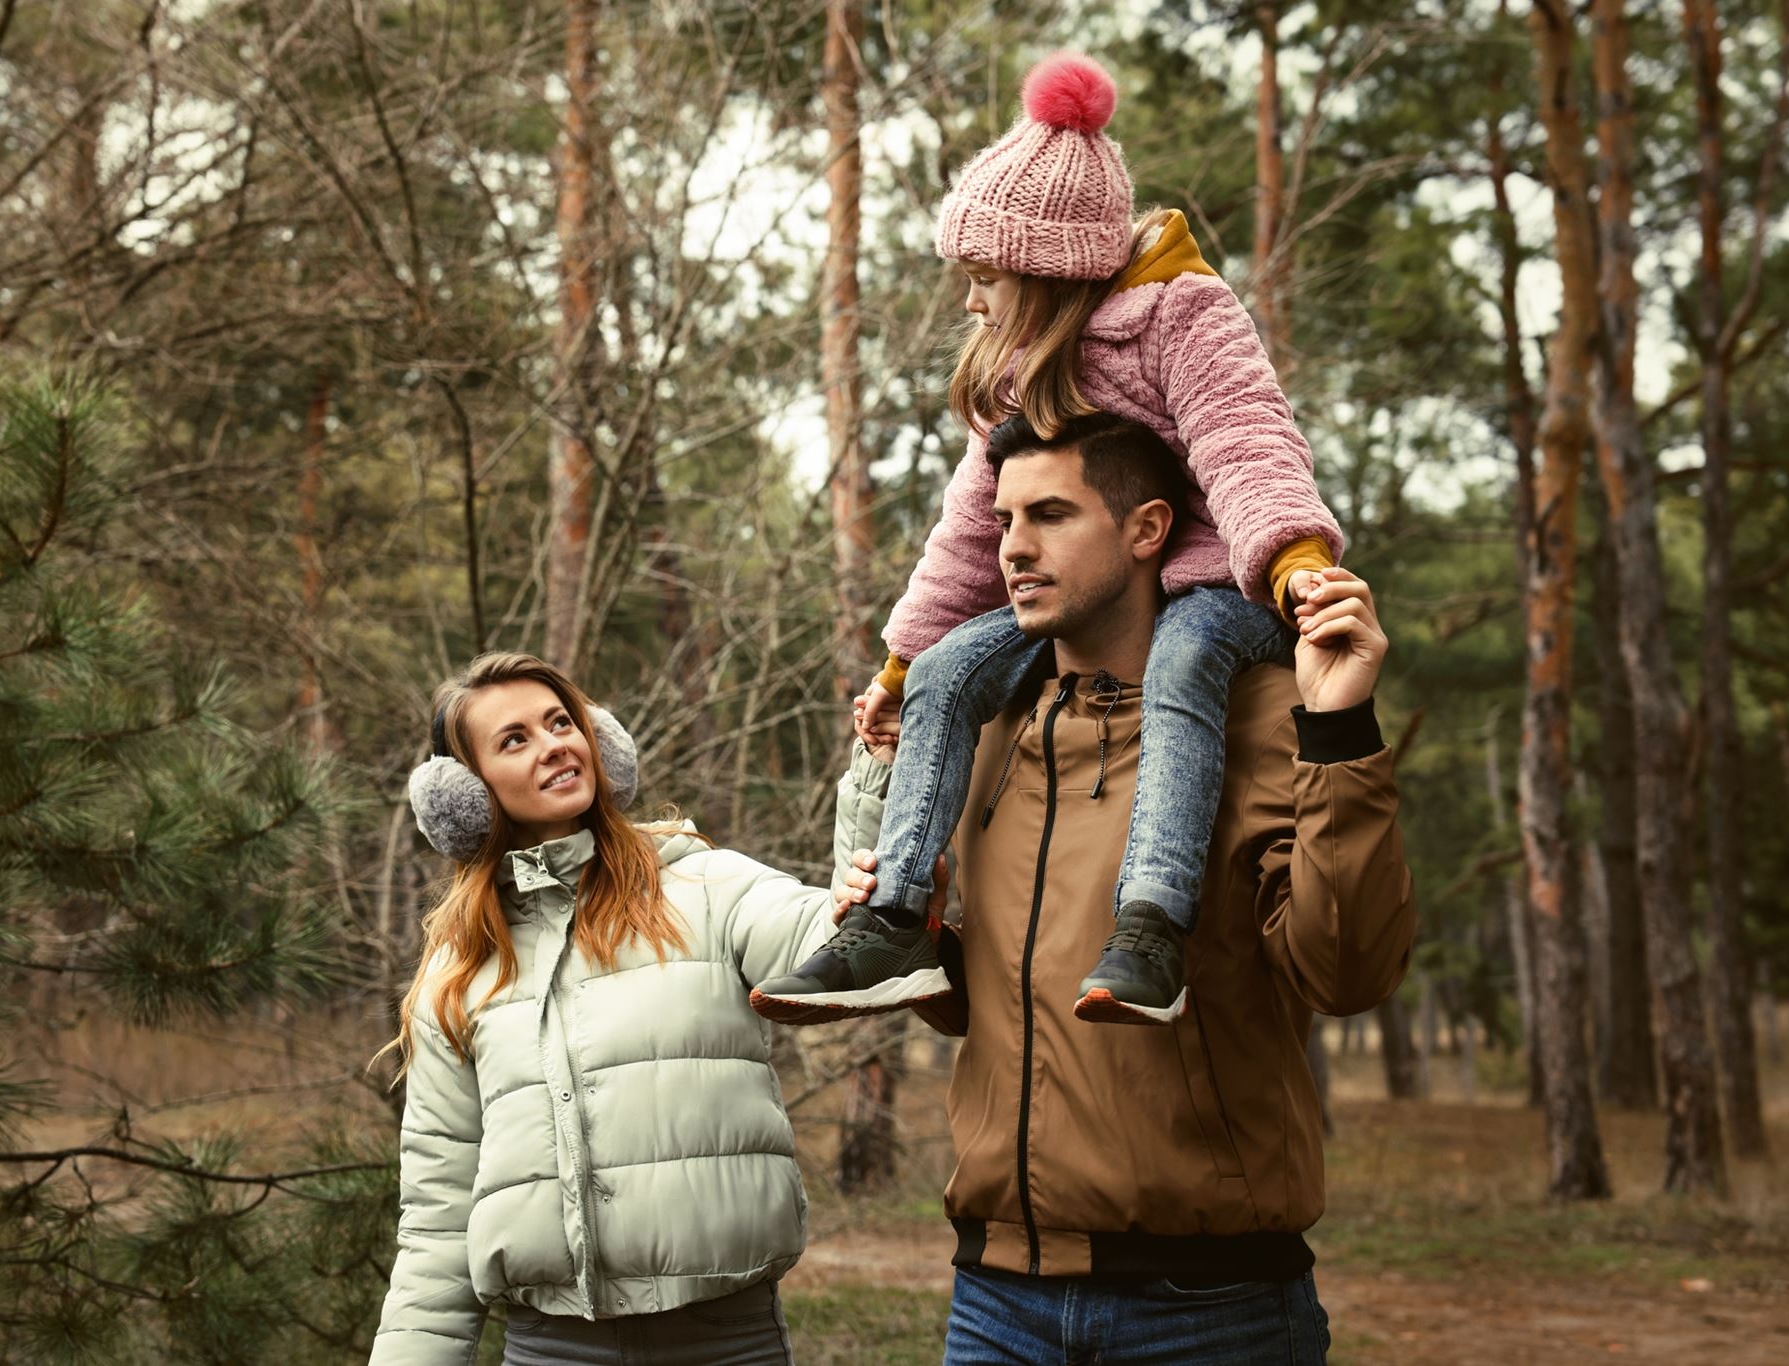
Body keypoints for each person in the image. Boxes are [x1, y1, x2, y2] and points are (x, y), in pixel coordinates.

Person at [752, 52, 1345, 1027]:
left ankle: (1150, 924)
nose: (970, 301)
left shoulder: (1181, 316)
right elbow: (968, 528)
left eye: (983, 278)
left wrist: (1293, 563)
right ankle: (896, 915)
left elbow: (1245, 441)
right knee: (950, 670)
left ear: (1045, 272)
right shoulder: (1018, 372)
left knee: (1182, 657)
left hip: (1219, 581)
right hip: (1092, 593)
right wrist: (901, 663)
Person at [836, 413, 1413, 1363]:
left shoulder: (1268, 714)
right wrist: (927, 936)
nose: (1014, 548)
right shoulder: (986, 732)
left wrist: (1341, 730)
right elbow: (993, 1007)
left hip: (1209, 1309)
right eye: (1005, 520)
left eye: (1051, 515)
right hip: (994, 1299)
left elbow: (1346, 973)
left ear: (1148, 529)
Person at [368, 652, 889, 1365]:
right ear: (465, 797)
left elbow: (841, 944)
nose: (554, 744)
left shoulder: (706, 887)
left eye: (561, 723)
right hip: (551, 1350)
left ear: (598, 742)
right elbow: (437, 1221)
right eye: (515, 739)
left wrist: (876, 778)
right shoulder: (457, 975)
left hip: (727, 1344)